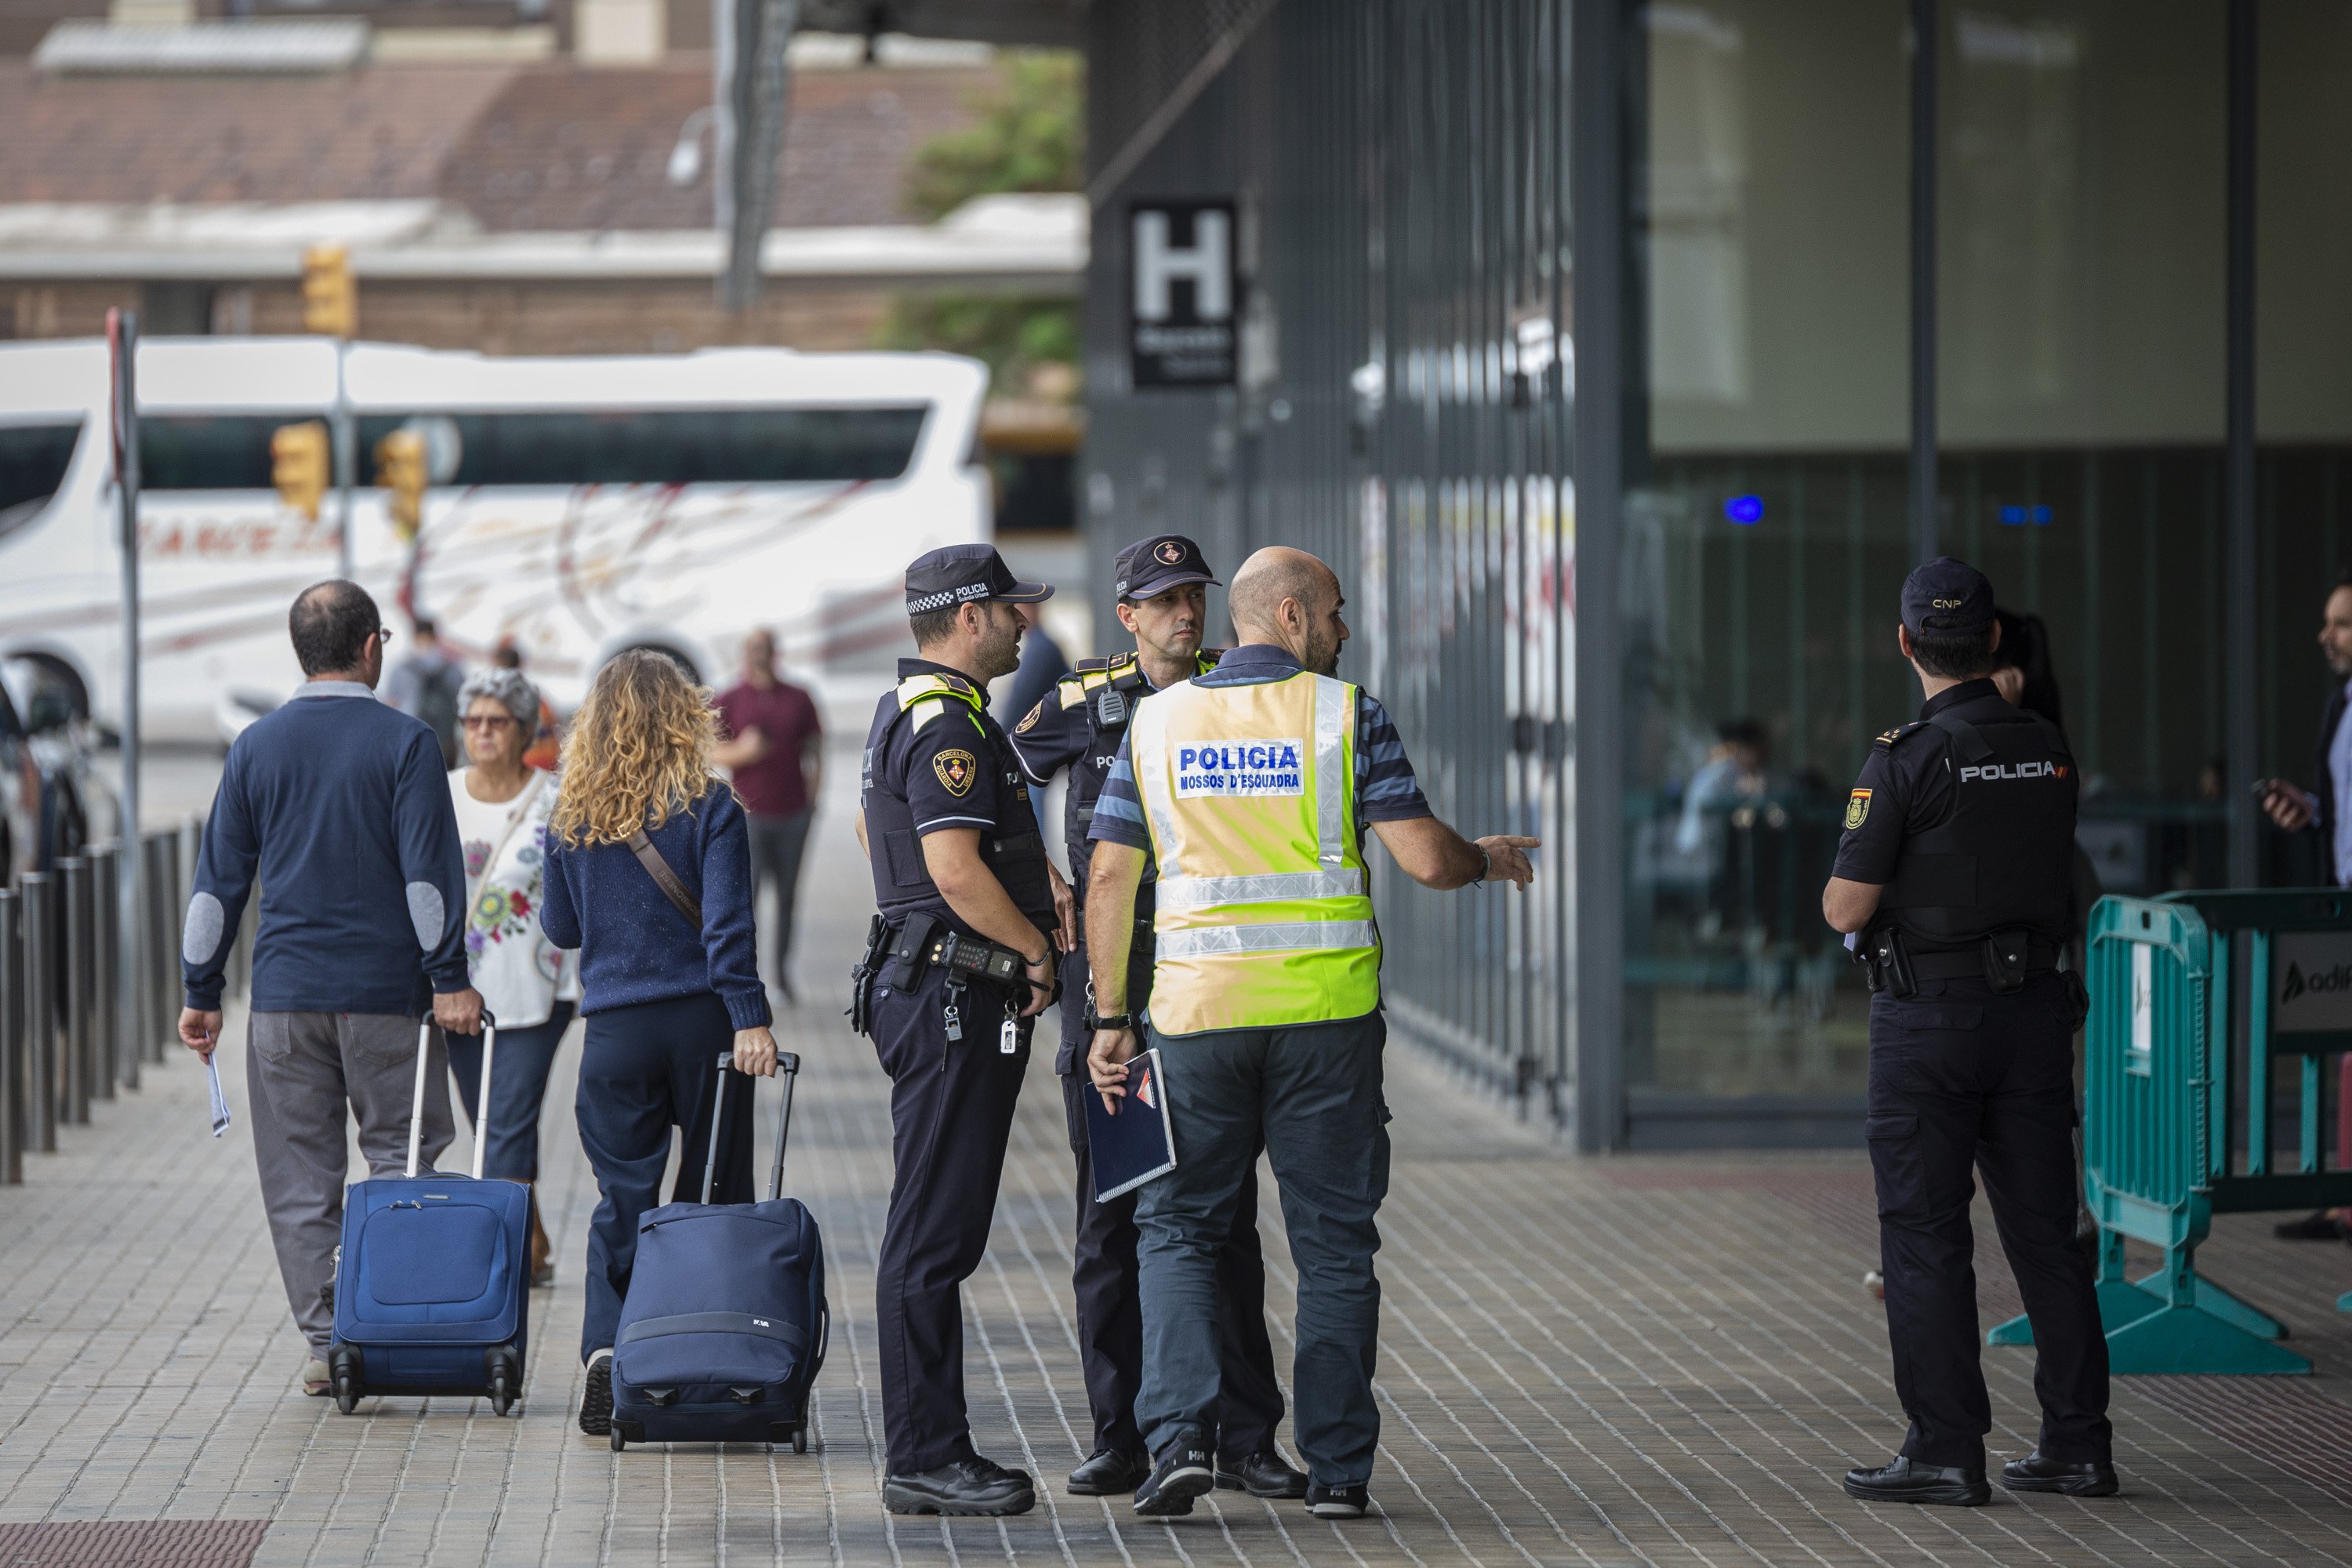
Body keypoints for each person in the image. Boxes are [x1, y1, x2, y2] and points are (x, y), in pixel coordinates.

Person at [1084, 546, 1537, 1520]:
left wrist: (1112, 1015)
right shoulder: (1345, 713)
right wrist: (1486, 860)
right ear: (1290, 616)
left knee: (1177, 1231)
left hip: (1196, 1019)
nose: (1344, 631)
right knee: (1333, 1246)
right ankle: (1337, 1470)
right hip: (1326, 1025)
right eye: (1333, 612)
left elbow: (1112, 878)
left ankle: (1178, 1443)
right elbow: (1424, 857)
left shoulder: (1155, 722)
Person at [1007, 534, 1300, 1501]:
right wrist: (1046, 881)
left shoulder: (1233, 687)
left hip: (1214, 992)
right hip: (1115, 995)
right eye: (1166, 599)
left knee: (1224, 1222)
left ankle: (1248, 1439)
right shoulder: (1086, 699)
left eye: (1196, 596)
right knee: (1115, 1216)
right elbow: (1001, 779)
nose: (1187, 613)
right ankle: (1123, 1432)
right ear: (1128, 615)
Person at [1822, 557, 2115, 1505]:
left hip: (1928, 1024)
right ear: (1993, 641)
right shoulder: (2051, 746)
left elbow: (1845, 905)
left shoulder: (1904, 758)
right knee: (2047, 1239)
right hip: (2033, 1019)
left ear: (1907, 643)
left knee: (1925, 1235)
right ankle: (2078, 1444)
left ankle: (1947, 1446)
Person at [176, 581, 481, 1399]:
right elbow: (429, 879)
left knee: (300, 1181)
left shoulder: (256, 746)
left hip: (283, 999)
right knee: (400, 1158)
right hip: (388, 997)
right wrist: (448, 977)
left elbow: (215, 889)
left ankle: (328, 1342)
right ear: (373, 647)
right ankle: (387, 1329)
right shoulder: (408, 742)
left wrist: (200, 991)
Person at [850, 543, 1060, 1516]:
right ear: (969, 615)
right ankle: (925, 1453)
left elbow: (878, 837)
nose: (1028, 623)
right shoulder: (949, 724)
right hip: (951, 997)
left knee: (937, 1225)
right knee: (931, 1233)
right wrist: (1034, 950)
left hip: (931, 987)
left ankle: (930, 1445)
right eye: (1014, 608)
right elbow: (954, 869)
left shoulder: (914, 709)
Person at [538, 650, 779, 1439]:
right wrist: (750, 1015)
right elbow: (728, 927)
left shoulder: (570, 814)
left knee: (622, 1199)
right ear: (686, 715)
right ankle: (708, 1356)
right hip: (704, 1028)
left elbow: (563, 930)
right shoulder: (712, 806)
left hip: (613, 1032)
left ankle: (607, 1349)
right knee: (717, 1192)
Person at [445, 665, 579, 1288]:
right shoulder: (440, 795)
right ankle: (531, 1233)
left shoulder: (556, 798)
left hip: (539, 988)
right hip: (456, 992)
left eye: (497, 722)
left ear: (525, 729)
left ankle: (495, 1264)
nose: (483, 733)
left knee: (507, 1120)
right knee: (488, 1122)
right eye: (473, 722)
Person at [2258, 575, 2352, 1242]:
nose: (2327, 636)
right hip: (2343, 904)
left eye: (2342, 623)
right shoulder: (2341, 704)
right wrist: (2313, 811)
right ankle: (2343, 1203)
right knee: (2344, 1056)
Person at [712, 630, 824, 1002]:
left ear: (776, 652)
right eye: (753, 648)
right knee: (749, 899)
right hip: (749, 816)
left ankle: (782, 975)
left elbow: (816, 749)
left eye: (766, 648)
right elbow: (707, 750)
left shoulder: (799, 697)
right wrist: (742, 753)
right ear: (745, 653)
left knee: (788, 898)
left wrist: (813, 800)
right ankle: (748, 978)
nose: (760, 654)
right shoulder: (730, 697)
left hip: (793, 814)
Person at [384, 615, 466, 768]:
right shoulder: (453, 668)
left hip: (409, 742)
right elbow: (463, 704)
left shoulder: (400, 669)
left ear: (414, 637)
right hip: (445, 743)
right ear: (436, 637)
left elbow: (390, 706)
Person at [492, 637, 561, 772]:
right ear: (519, 664)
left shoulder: (500, 698)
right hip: (548, 762)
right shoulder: (537, 696)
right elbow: (554, 725)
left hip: (524, 767)